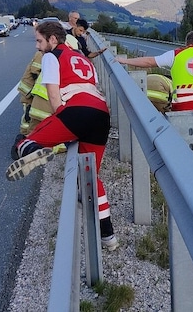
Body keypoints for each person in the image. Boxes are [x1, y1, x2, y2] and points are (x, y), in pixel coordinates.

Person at [6, 21, 118, 251]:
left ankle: (34, 151)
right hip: (102, 114)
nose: (38, 46)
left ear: (53, 39)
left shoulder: (51, 57)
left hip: (76, 112)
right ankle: (108, 235)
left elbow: (55, 99)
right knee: (90, 176)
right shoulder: (84, 59)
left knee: (25, 140)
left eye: (39, 40)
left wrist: (66, 126)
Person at [115, 30, 193, 164]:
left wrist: (124, 60)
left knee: (180, 140)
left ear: (186, 44)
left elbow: (149, 62)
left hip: (182, 104)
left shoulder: (176, 54)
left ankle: (179, 169)